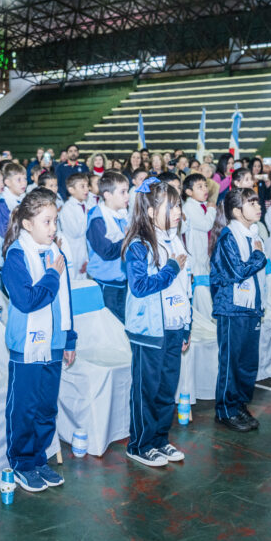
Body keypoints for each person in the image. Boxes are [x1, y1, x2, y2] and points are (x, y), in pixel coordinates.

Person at [1, 188, 75, 491]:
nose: (53, 228)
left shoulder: (56, 251)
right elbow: (28, 300)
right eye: (47, 222)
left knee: (46, 406)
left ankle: (40, 458)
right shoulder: (16, 255)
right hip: (28, 342)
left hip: (55, 340)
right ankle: (22, 462)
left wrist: (69, 339)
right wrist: (51, 276)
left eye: (55, 221)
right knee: (25, 406)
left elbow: (67, 299)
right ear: (28, 224)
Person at [121, 178, 191, 465]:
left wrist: (186, 325)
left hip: (174, 325)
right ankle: (139, 444)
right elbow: (139, 286)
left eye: (178, 206)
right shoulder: (139, 245)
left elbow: (186, 285)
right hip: (148, 329)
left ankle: (160, 439)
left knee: (165, 389)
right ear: (150, 211)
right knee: (146, 390)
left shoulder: (175, 238)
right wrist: (172, 268)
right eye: (171, 206)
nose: (177, 211)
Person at [210, 188, 268, 432]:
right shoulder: (228, 237)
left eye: (257, 202)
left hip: (251, 307)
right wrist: (257, 256)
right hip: (232, 308)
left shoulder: (253, 234)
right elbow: (235, 272)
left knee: (247, 361)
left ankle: (240, 404)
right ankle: (225, 410)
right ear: (236, 211)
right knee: (231, 362)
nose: (258, 206)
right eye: (251, 203)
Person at [85, 170, 130, 322]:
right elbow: (107, 251)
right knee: (111, 326)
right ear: (107, 195)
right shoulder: (97, 218)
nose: (127, 196)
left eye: (127, 191)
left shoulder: (122, 215)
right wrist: (129, 238)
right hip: (105, 282)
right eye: (123, 192)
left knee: (123, 323)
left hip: (122, 278)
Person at [0, 162, 28, 293]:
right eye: (18, 179)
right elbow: (5, 232)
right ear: (7, 182)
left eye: (25, 178)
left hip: (20, 258)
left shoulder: (24, 199)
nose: (23, 183)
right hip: (4, 261)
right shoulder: (2, 202)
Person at [181, 172, 216, 280]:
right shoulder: (189, 207)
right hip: (196, 256)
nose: (205, 189)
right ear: (189, 192)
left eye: (205, 185)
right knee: (200, 290)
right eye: (200, 187)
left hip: (205, 254)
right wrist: (211, 209)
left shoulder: (203, 204)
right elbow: (206, 225)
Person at [59, 173, 91, 278]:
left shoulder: (84, 204)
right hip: (72, 251)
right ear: (71, 190)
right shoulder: (67, 208)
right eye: (82, 186)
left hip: (82, 252)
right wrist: (88, 216)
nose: (86, 189)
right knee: (72, 280)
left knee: (83, 281)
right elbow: (76, 232)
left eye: (87, 185)